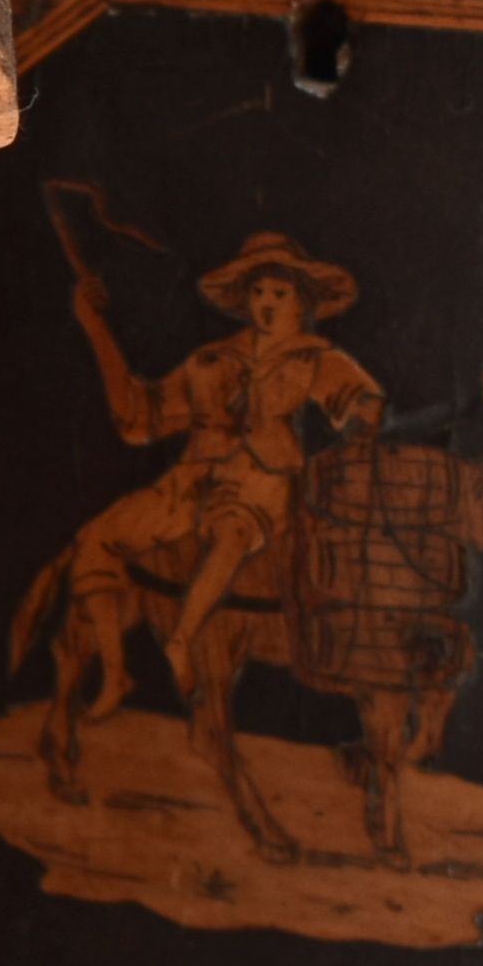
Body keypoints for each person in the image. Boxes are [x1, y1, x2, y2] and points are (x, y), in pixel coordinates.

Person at [81, 230, 386, 672]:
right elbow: (140, 420)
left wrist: (361, 421)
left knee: (233, 529)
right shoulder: (212, 361)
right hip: (190, 479)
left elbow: (364, 402)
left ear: (303, 301)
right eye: (258, 292)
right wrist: (96, 328)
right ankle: (114, 673)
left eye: (280, 293)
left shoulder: (313, 359)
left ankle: (182, 639)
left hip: (264, 479)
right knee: (98, 538)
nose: (267, 302)